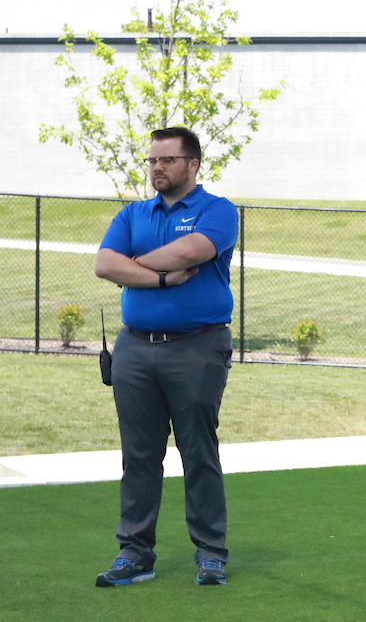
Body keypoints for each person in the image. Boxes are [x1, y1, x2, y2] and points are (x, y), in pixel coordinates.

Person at [93, 126, 239, 588]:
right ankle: (135, 554)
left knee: (198, 452)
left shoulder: (217, 210)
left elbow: (193, 250)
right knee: (138, 456)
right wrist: (156, 278)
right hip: (135, 348)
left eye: (168, 160)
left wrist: (131, 265)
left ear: (193, 164)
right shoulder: (133, 212)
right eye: (153, 160)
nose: (158, 167)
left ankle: (211, 554)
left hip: (197, 348)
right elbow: (103, 264)